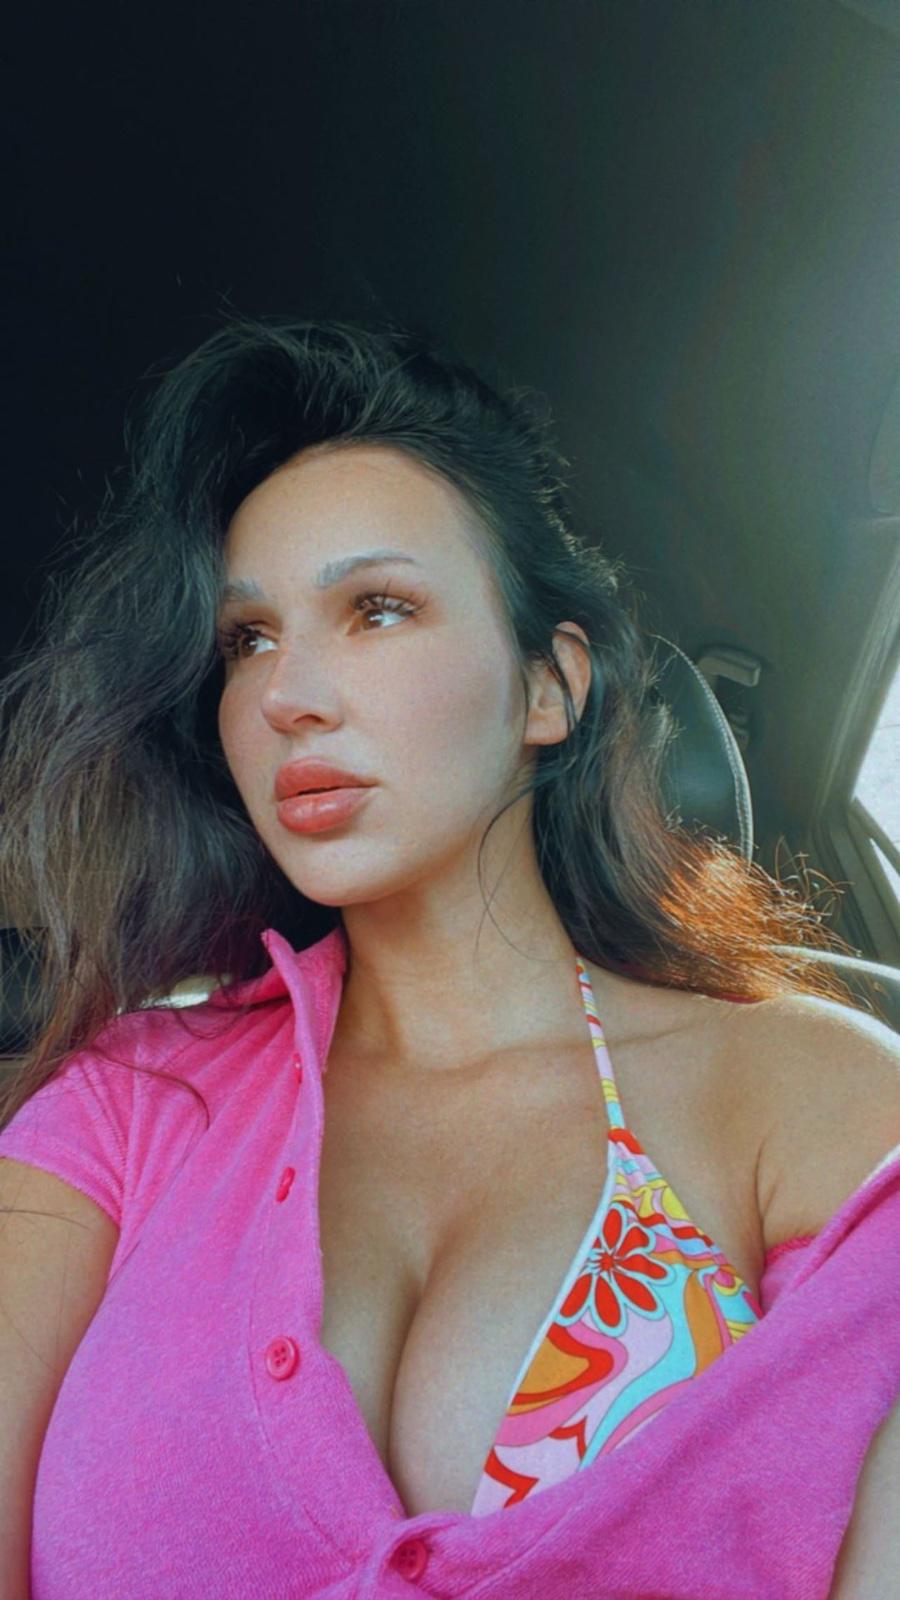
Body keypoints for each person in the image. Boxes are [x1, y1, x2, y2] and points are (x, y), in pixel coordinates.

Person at [1, 312, 898, 1598]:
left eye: (377, 609)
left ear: (549, 687)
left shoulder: (810, 1094)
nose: (286, 695)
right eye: (248, 639)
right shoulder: (122, 1106)